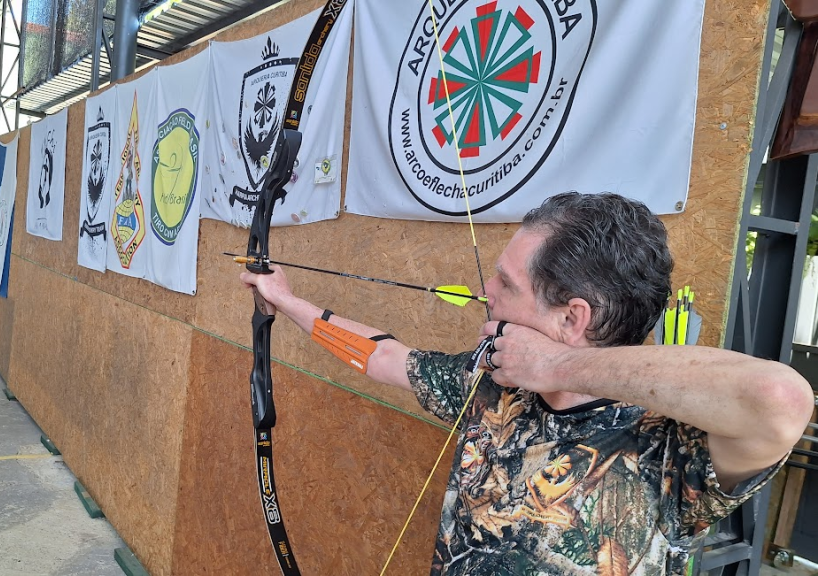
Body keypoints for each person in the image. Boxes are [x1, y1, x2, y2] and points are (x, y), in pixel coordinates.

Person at [239, 192, 815, 575]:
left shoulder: (669, 446)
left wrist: (558, 367)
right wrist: (286, 302)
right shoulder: (495, 385)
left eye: (506, 284)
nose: (486, 292)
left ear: (572, 318)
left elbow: (781, 399)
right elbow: (384, 357)